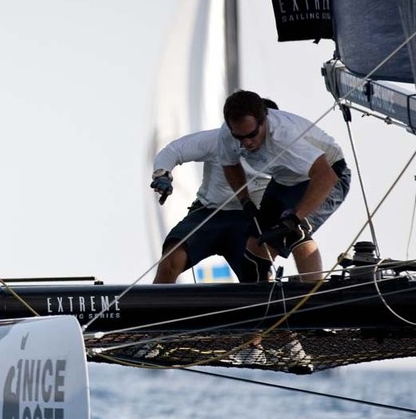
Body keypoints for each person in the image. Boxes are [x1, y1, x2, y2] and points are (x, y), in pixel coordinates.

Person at [217, 90, 351, 282]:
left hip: (328, 174)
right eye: (240, 137)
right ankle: (261, 299)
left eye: (252, 135)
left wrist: (294, 218)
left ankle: (312, 294)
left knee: (294, 231)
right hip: (284, 179)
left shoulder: (284, 136)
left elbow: (325, 176)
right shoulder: (229, 133)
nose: (246, 142)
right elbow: (230, 164)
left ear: (264, 121)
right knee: (256, 245)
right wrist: (244, 200)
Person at [149, 99, 278, 284]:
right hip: (210, 213)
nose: (248, 140)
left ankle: (271, 309)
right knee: (171, 260)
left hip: (250, 219)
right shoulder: (219, 139)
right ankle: (154, 308)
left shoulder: (286, 147)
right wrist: (162, 174)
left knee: (260, 279)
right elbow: (174, 150)